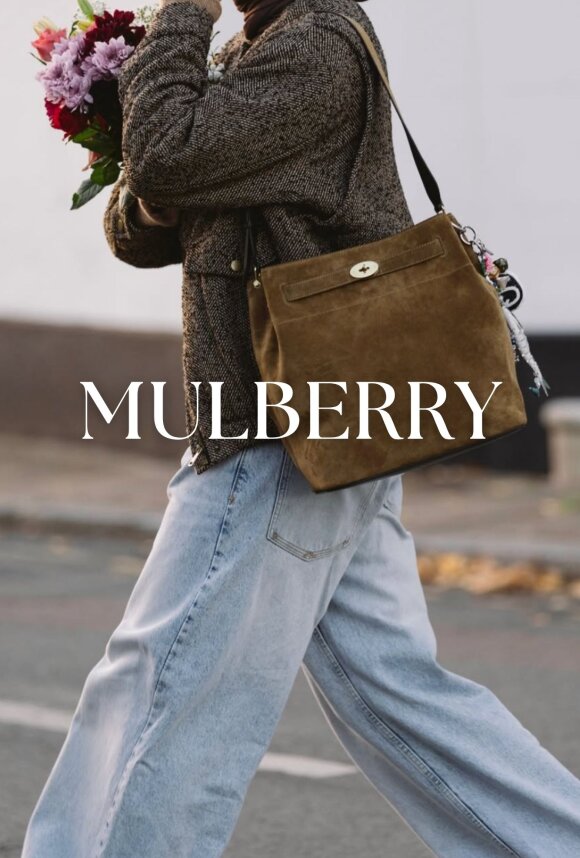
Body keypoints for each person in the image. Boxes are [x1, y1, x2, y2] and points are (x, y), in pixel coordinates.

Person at [22, 0, 580, 856]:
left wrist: (181, 19)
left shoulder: (315, 46)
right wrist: (160, 186)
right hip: (315, 432)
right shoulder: (263, 42)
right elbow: (140, 217)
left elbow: (164, 154)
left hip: (282, 435)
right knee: (402, 700)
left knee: (161, 682)